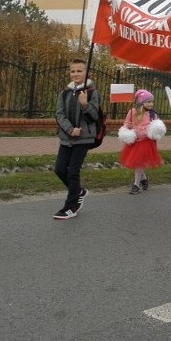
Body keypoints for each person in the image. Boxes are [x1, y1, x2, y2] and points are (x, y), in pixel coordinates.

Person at [53, 58, 100, 220]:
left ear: (86, 73)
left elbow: (94, 116)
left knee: (73, 171)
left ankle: (71, 207)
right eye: (73, 71)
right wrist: (70, 129)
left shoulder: (92, 92)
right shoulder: (64, 92)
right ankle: (79, 192)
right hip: (67, 137)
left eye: (79, 71)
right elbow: (59, 114)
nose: (76, 74)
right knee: (59, 169)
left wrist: (85, 104)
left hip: (84, 138)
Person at [118, 89, 165, 194]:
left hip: (146, 142)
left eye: (152, 101)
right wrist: (127, 127)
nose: (151, 104)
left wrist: (156, 131)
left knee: (139, 162)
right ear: (141, 102)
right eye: (148, 101)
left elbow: (157, 128)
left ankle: (136, 185)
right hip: (135, 141)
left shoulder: (153, 115)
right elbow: (127, 122)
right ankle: (143, 179)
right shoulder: (132, 112)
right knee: (136, 163)